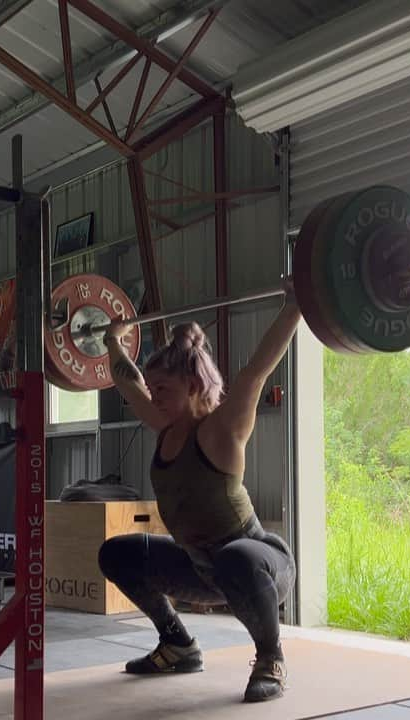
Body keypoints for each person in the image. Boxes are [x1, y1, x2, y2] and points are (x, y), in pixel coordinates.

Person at [97, 279, 300, 703]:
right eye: (154, 391)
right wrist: (111, 340)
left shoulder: (221, 431)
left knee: (234, 557)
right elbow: (128, 381)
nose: (154, 398)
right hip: (203, 569)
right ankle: (177, 645)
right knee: (116, 553)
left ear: (193, 386)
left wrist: (295, 306)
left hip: (260, 564)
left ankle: (270, 658)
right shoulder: (164, 424)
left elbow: (256, 371)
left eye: (164, 391)